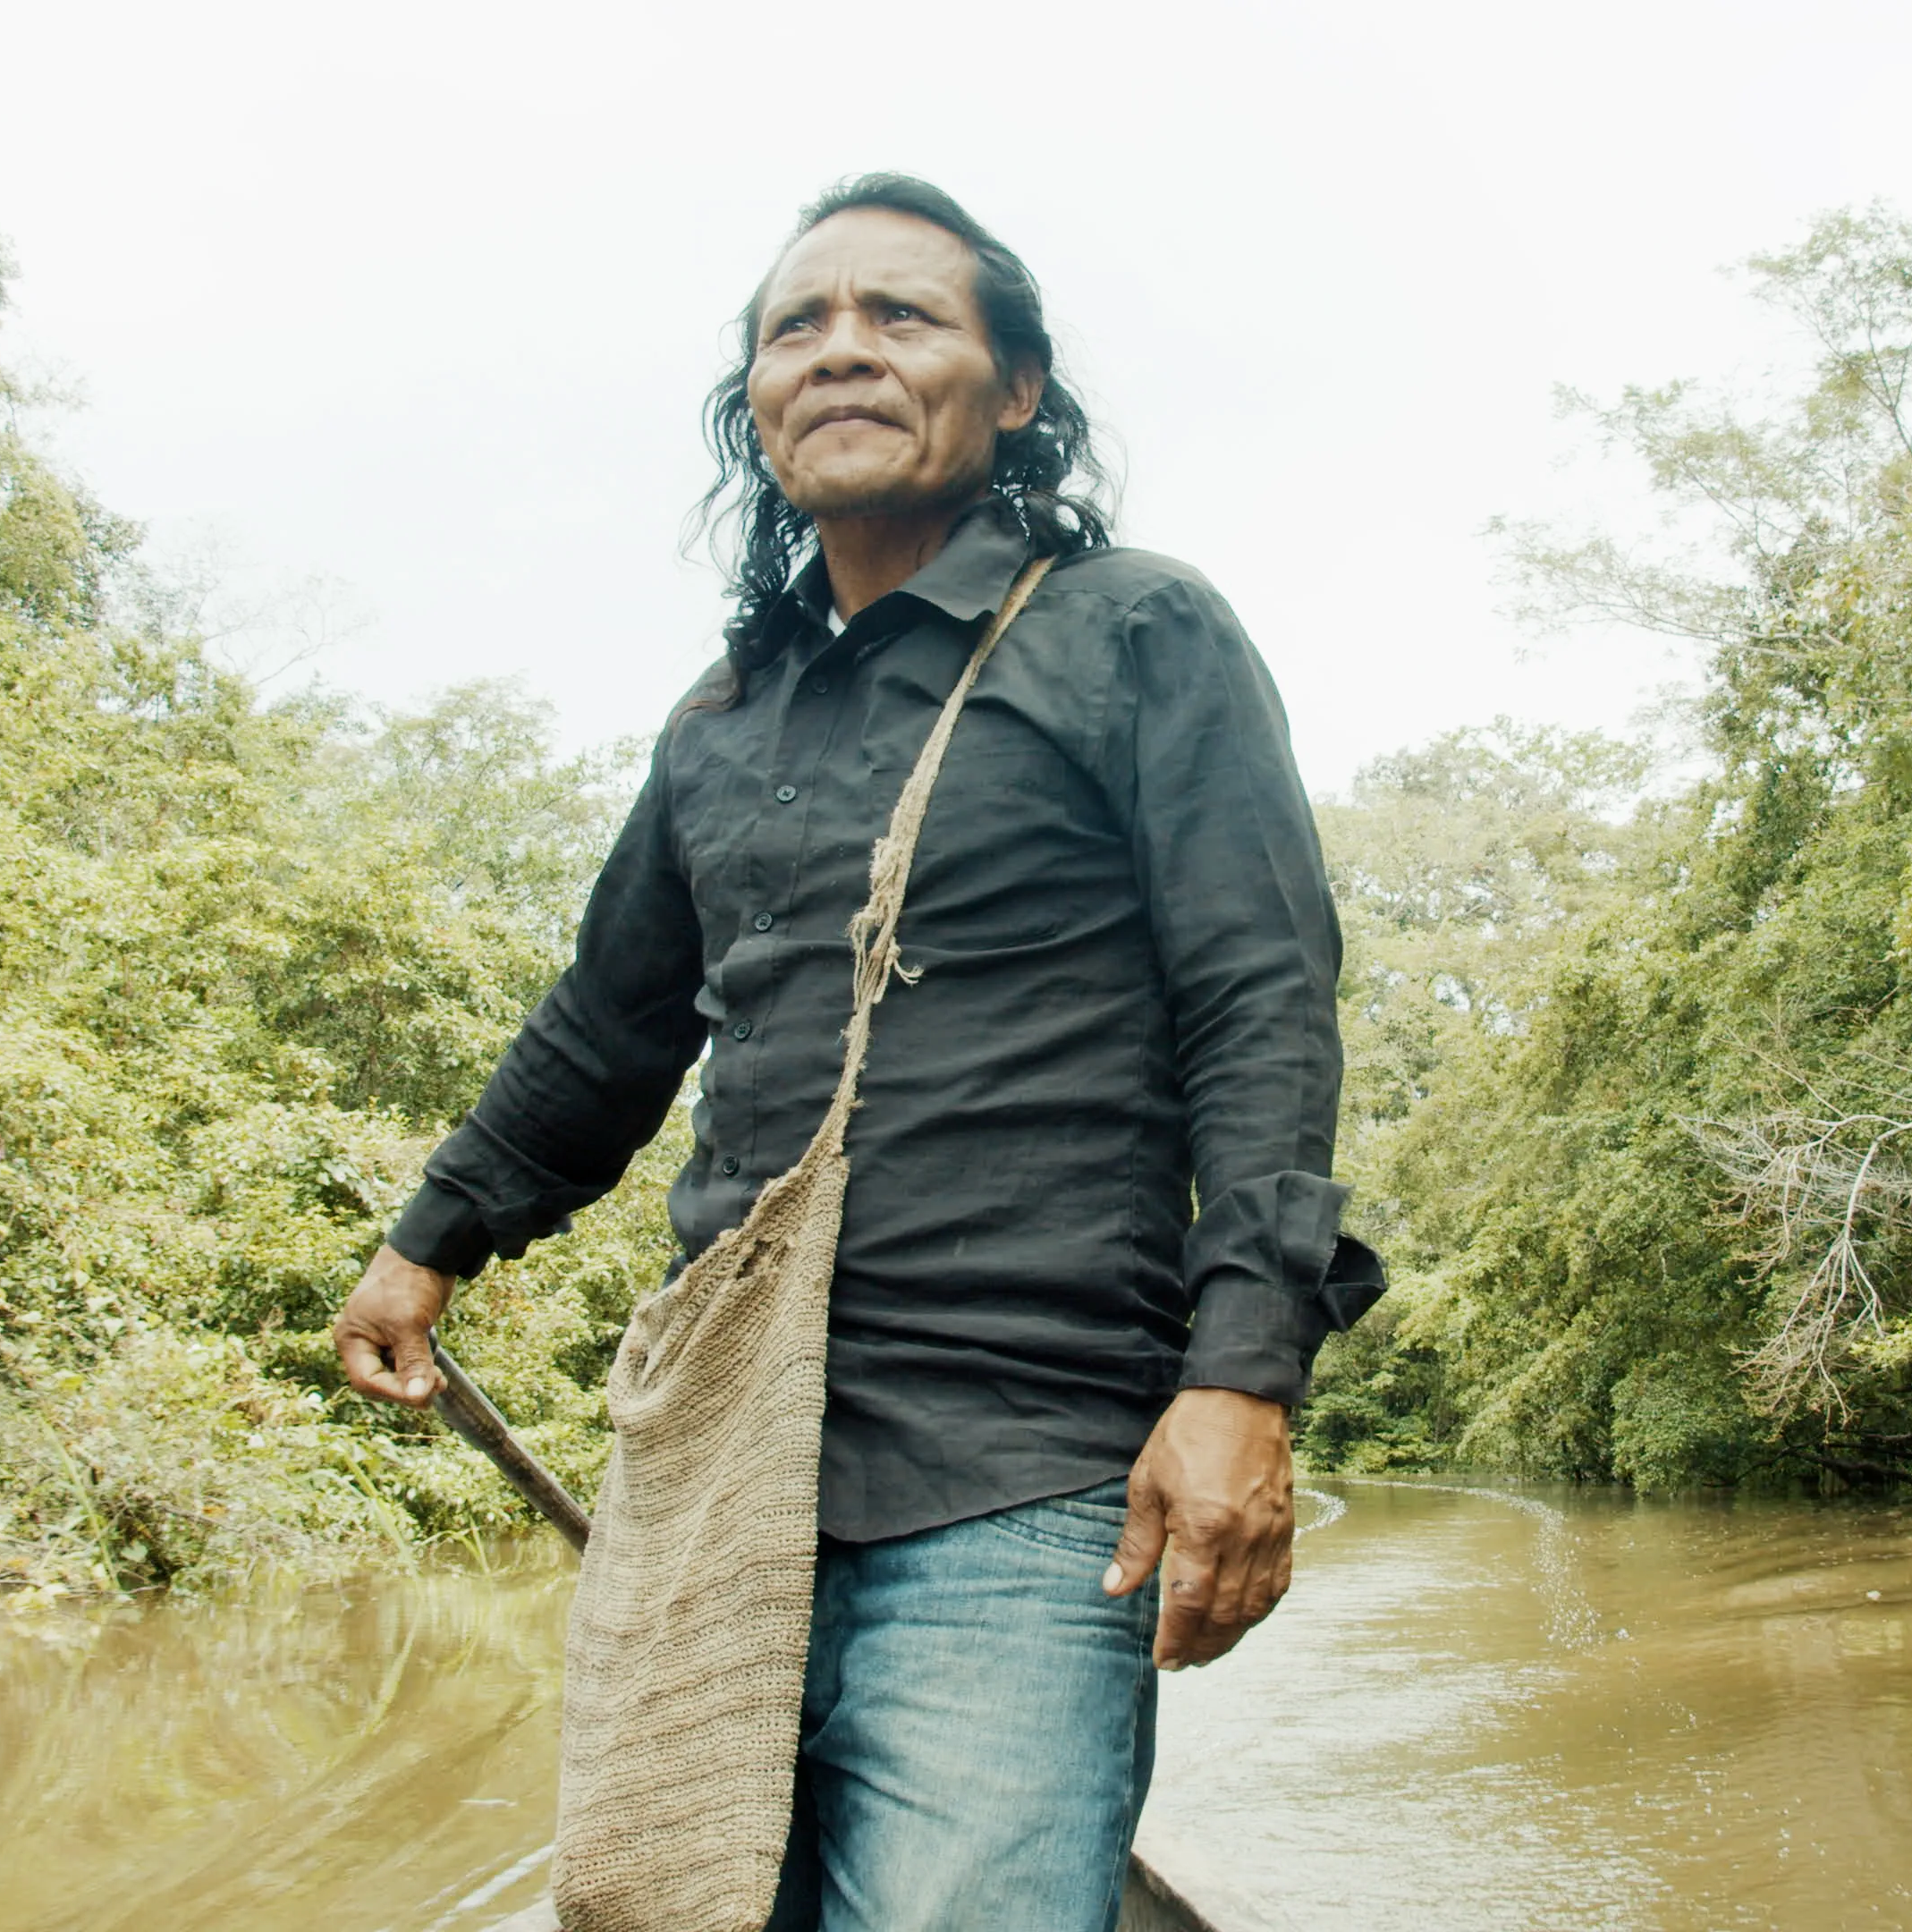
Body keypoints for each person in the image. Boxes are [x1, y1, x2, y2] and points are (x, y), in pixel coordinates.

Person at [328, 173, 1380, 1931]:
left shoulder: (1130, 633)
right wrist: (427, 1241)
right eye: (795, 326)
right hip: (726, 1465)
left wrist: (1239, 1382)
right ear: (752, 402)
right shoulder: (723, 721)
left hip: (1021, 1461)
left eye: (903, 317)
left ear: (1015, 389)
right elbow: (608, 1024)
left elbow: (1260, 1012)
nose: (842, 353)